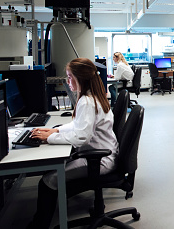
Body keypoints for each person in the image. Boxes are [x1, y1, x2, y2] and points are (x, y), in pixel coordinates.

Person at [27, 58, 119, 229]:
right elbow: (78, 125)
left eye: (70, 77)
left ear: (80, 79)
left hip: (98, 160)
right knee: (53, 171)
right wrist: (56, 131)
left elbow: (80, 138)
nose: (67, 81)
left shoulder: (87, 101)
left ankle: (39, 226)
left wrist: (48, 138)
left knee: (48, 180)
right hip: (103, 153)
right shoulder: (93, 95)